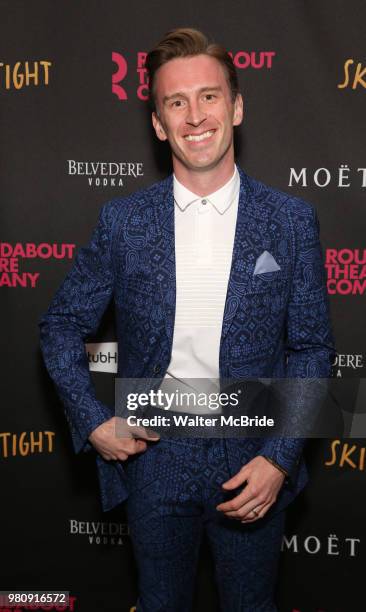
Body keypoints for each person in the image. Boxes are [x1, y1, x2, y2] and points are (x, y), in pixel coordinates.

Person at [39, 28, 335, 612]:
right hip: (156, 457)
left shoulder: (291, 220)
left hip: (254, 456)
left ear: (237, 107)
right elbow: (59, 327)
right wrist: (94, 422)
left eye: (209, 96)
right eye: (176, 102)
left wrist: (279, 458)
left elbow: (312, 348)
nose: (194, 115)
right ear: (158, 122)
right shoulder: (123, 221)